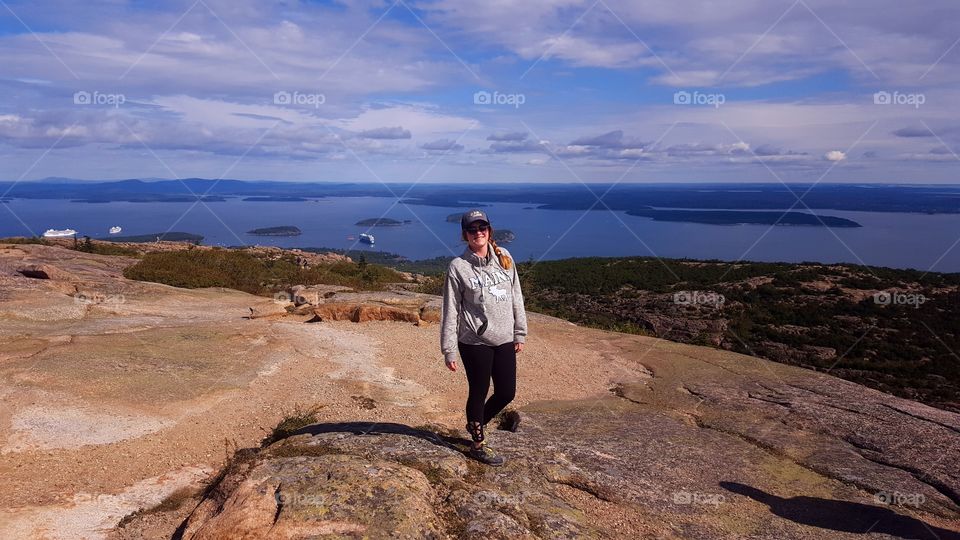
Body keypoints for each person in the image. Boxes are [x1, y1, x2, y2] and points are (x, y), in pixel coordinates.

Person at [441, 209, 527, 466]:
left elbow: (516, 296)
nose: (478, 232)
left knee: (506, 392)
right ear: (464, 234)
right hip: (474, 341)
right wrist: (448, 348)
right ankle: (477, 444)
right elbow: (451, 309)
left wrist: (519, 332)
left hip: (504, 339)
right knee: (478, 391)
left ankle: (477, 423)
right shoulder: (458, 267)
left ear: (489, 230)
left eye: (483, 227)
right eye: (472, 229)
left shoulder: (504, 257)